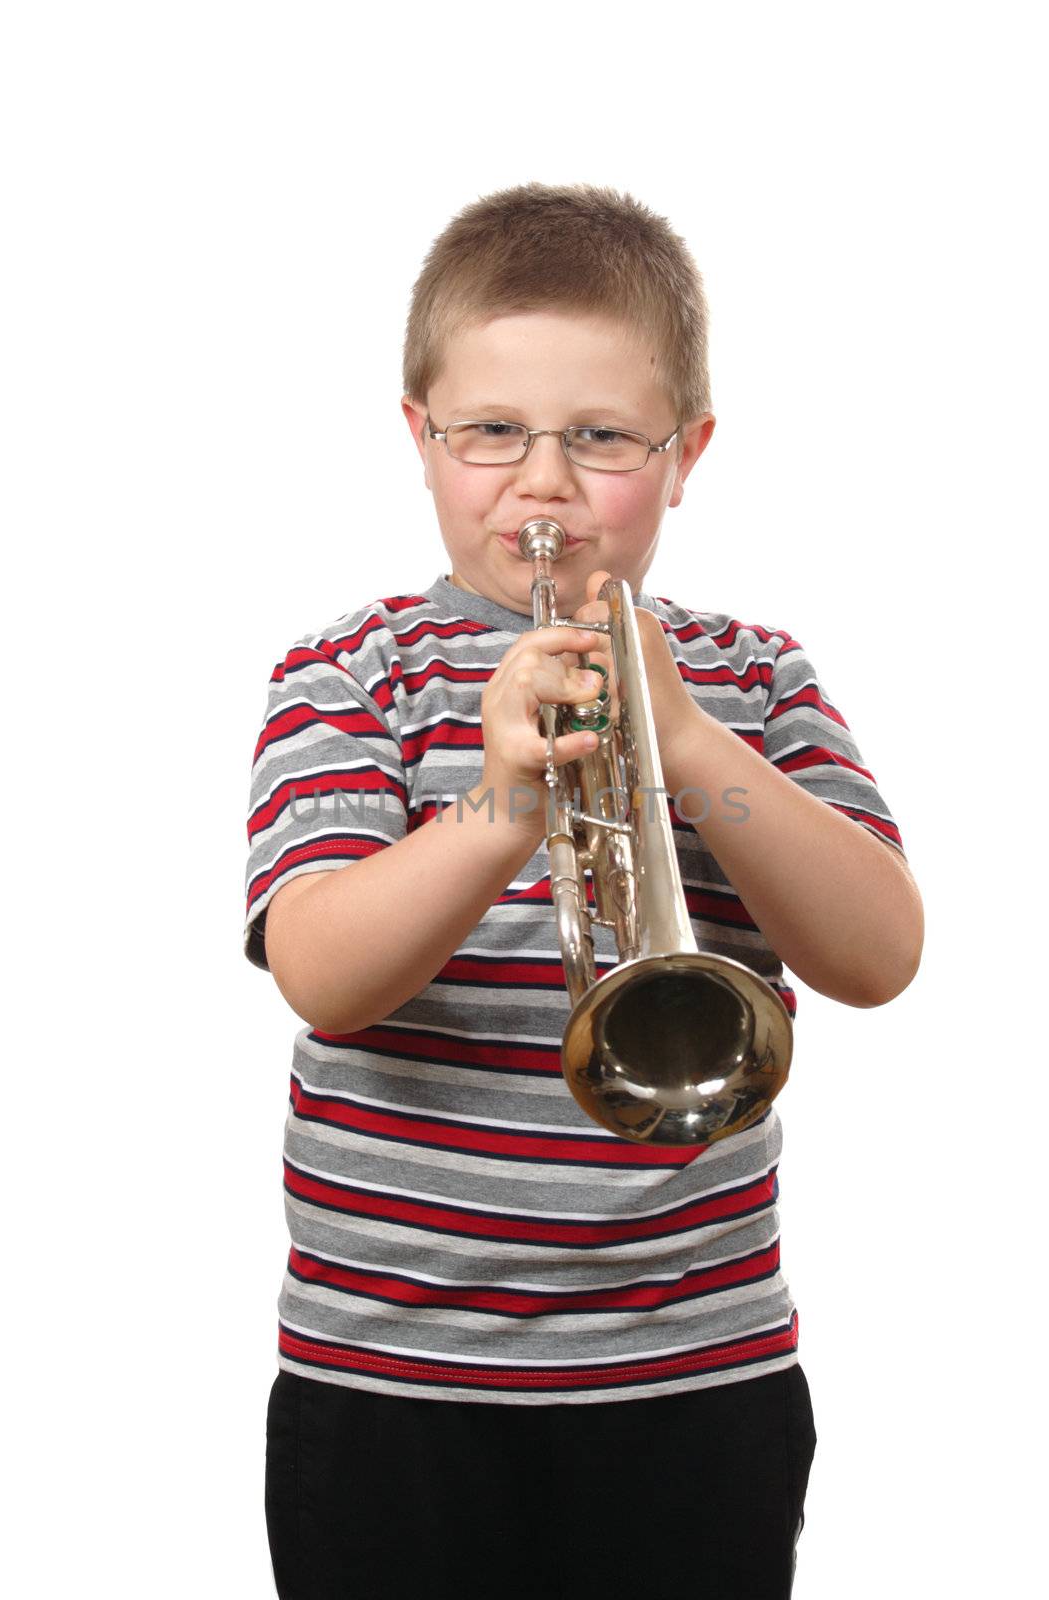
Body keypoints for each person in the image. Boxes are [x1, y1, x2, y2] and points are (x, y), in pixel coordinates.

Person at [243, 182, 923, 1600]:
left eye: (603, 438)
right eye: (492, 432)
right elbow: (321, 970)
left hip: (700, 1373)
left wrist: (683, 740)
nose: (543, 486)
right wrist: (499, 810)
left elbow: (878, 954)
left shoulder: (752, 679)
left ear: (687, 457)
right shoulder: (349, 675)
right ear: (419, 439)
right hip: (391, 1378)